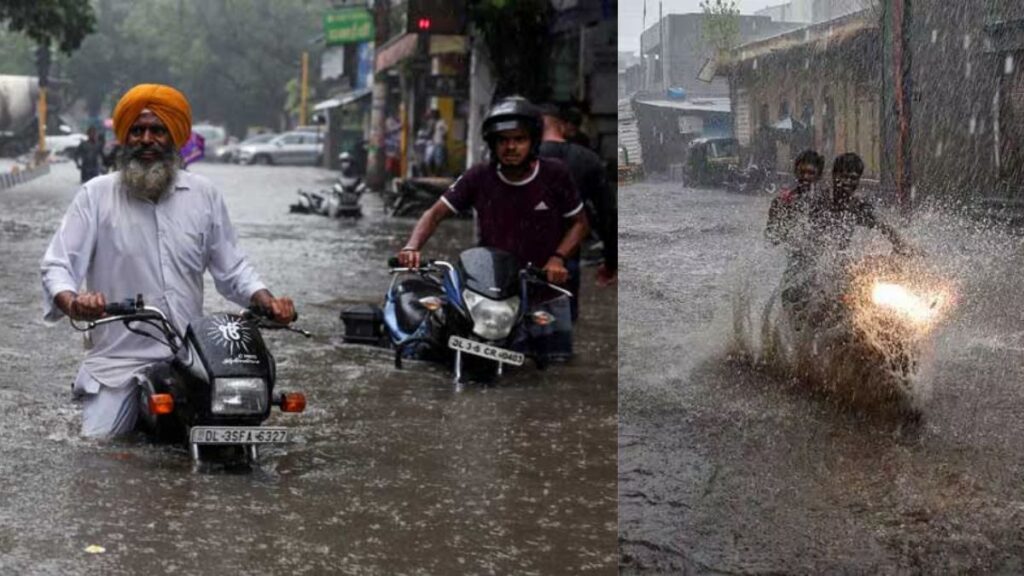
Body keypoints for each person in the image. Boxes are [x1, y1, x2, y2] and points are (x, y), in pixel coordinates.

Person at [40, 83, 296, 438]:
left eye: (157, 130)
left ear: (174, 137)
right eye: (138, 130)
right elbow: (58, 266)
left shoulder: (204, 195)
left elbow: (233, 268)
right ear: (124, 138)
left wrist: (267, 300)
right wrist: (74, 302)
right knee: (99, 446)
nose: (147, 139)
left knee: (243, 425)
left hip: (193, 359)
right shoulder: (95, 195)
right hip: (119, 364)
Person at [396, 96, 590, 360]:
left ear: (532, 141)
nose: (511, 147)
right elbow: (434, 214)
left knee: (555, 368)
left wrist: (558, 259)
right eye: (503, 140)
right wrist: (412, 247)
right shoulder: (479, 176)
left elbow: (580, 224)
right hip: (491, 292)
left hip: (543, 290)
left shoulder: (555, 174)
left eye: (519, 139)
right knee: (469, 361)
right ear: (493, 144)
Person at [766, 150, 912, 323]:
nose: (848, 183)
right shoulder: (815, 201)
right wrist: (782, 217)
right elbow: (779, 230)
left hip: (834, 277)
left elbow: (883, 226)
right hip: (801, 276)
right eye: (844, 177)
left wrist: (902, 246)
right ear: (834, 176)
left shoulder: (857, 207)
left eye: (854, 178)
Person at [538, 103, 617, 323]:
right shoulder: (587, 159)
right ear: (562, 127)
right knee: (562, 334)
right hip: (567, 257)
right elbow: (607, 214)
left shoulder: (516, 158)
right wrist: (611, 262)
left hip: (520, 258)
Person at [427, 109, 448, 176]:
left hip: (439, 143)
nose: (433, 116)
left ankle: (438, 174)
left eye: (434, 115)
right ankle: (432, 173)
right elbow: (430, 132)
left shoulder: (442, 122)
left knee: (439, 160)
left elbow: (445, 132)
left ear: (437, 115)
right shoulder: (433, 122)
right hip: (433, 143)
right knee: (430, 159)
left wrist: (442, 137)